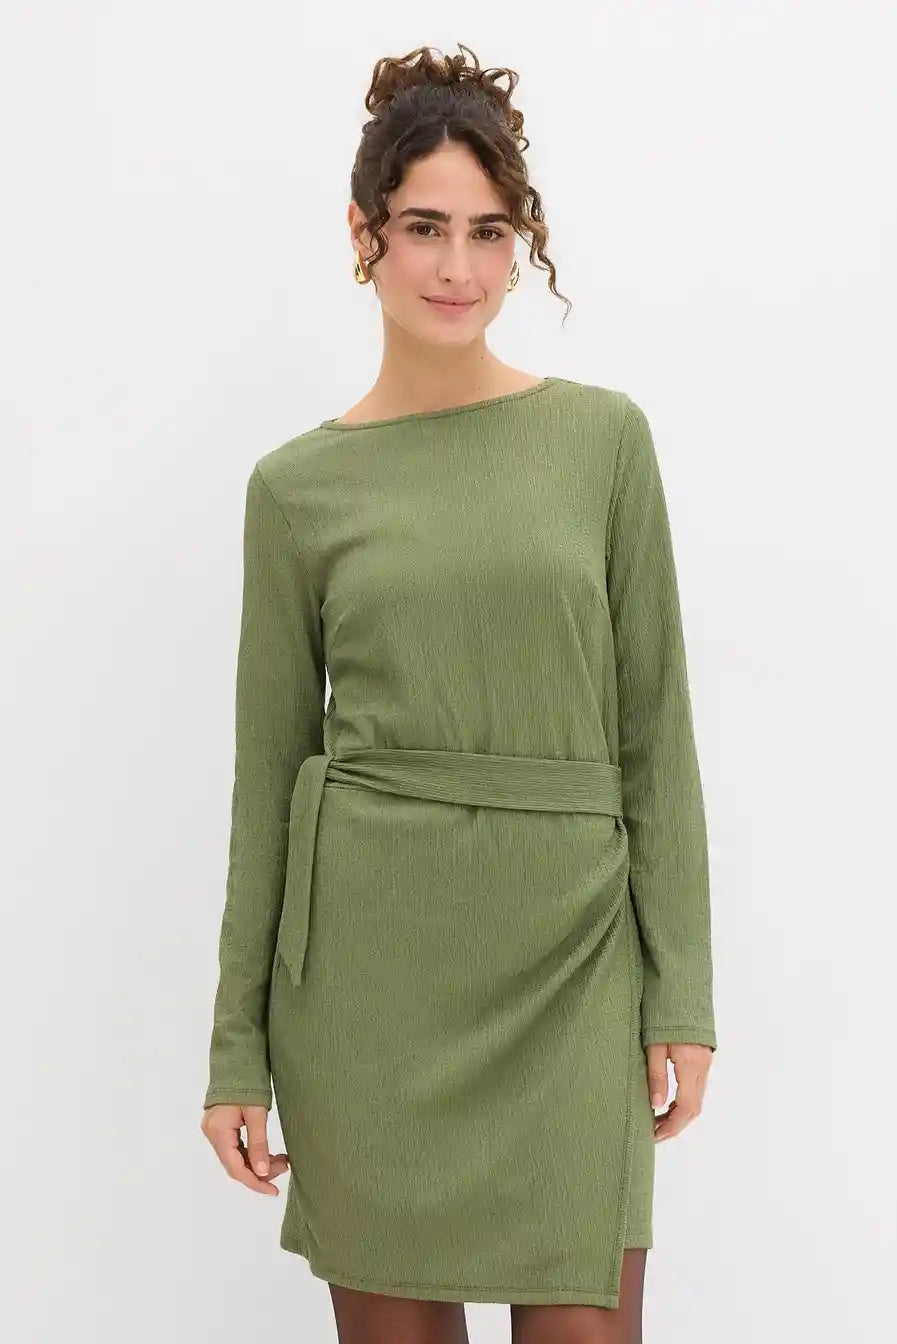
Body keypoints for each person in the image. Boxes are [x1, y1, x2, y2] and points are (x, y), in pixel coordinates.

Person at [200, 41, 717, 1344]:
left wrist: (683, 995)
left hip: (573, 964)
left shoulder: (603, 442)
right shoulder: (296, 490)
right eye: (425, 227)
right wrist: (235, 1049)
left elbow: (656, 732)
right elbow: (267, 779)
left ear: (520, 242)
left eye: (491, 232)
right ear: (364, 234)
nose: (458, 267)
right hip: (368, 987)